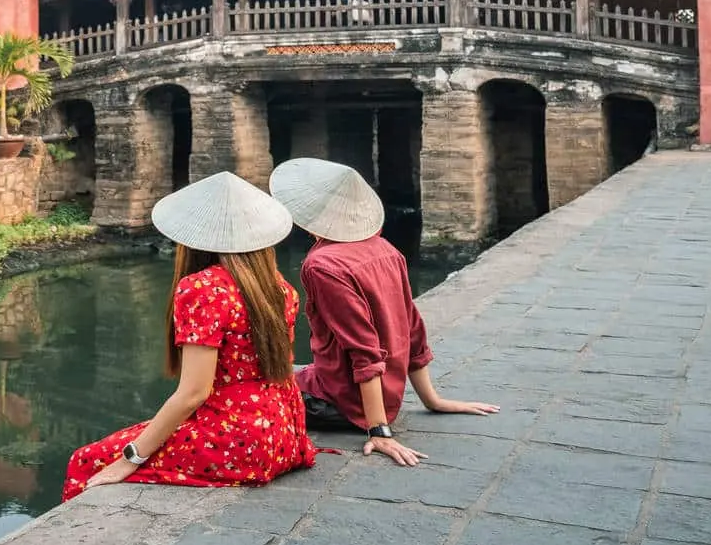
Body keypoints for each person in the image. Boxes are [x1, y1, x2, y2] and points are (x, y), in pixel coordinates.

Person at [63, 171, 316, 499]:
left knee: (86, 461)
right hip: (285, 433)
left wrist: (131, 459)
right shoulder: (278, 286)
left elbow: (194, 393)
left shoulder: (203, 289)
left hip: (236, 439)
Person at [271, 157, 500, 467]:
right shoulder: (386, 250)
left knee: (243, 396)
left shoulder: (322, 265)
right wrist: (432, 400)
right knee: (293, 374)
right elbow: (412, 327)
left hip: (341, 402)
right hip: (375, 392)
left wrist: (379, 431)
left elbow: (363, 349)